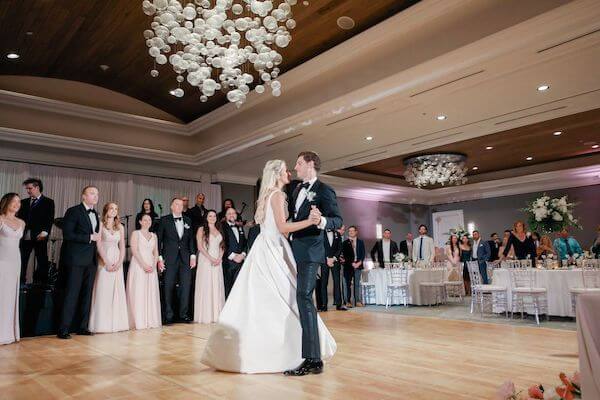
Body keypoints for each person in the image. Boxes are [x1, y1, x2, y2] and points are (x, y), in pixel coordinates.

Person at [201, 159, 337, 374]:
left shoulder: (269, 195)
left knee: (266, 298)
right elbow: (283, 228)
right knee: (287, 297)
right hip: (275, 248)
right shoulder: (278, 195)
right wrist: (311, 222)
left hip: (264, 247)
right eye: (285, 171)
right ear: (277, 174)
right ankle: (287, 352)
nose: (289, 173)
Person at [58, 186, 101, 339]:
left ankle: (82, 327)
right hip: (76, 259)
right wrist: (89, 237)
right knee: (72, 293)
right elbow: (68, 234)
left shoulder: (95, 213)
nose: (95, 196)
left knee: (87, 294)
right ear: (83, 196)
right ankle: (64, 328)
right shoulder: (73, 211)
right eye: (91, 193)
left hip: (90, 261)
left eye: (97, 194)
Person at [89, 202, 129, 333]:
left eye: (116, 209)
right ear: (106, 210)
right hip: (103, 259)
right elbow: (98, 243)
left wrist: (120, 261)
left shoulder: (120, 227)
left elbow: (122, 245)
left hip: (117, 259)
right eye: (111, 208)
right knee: (103, 289)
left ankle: (117, 323)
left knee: (116, 290)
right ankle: (101, 324)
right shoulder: (100, 225)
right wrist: (106, 261)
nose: (114, 211)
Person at [157, 198, 196, 324]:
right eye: (177, 204)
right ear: (171, 206)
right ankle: (168, 315)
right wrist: (160, 258)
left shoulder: (188, 220)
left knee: (186, 286)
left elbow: (191, 239)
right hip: (169, 258)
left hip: (185, 258)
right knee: (168, 286)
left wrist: (193, 255)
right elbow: (159, 240)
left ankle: (183, 314)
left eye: (181, 204)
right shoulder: (164, 220)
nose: (180, 206)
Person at [17, 178, 55, 287]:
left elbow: (49, 219)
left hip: (40, 236)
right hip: (24, 236)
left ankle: (40, 285)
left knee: (42, 261)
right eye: (27, 189)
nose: (28, 191)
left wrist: (45, 232)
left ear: (37, 187)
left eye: (30, 188)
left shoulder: (48, 202)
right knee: (22, 261)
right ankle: (20, 283)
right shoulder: (23, 202)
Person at [127, 214, 162, 330]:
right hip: (139, 264)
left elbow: (156, 251)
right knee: (139, 290)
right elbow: (134, 250)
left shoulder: (154, 236)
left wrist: (153, 264)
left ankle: (150, 319)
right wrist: (143, 265)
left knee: (150, 291)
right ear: (140, 222)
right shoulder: (135, 233)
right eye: (145, 220)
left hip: (151, 265)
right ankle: (139, 320)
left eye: (149, 220)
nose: (147, 222)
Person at [0, 193, 25, 345]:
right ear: (6, 202)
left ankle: (8, 333)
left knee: (10, 297)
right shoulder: (0, 218)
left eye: (19, 202)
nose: (17, 204)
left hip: (15, 262)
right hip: (1, 261)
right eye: (14, 201)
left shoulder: (21, 222)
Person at [194, 210, 225, 323]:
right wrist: (211, 258)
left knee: (216, 285)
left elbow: (222, 246)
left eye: (214, 216)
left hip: (217, 261)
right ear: (206, 217)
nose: (212, 217)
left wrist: (219, 258)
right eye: (210, 216)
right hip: (206, 260)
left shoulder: (219, 229)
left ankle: (217, 314)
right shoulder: (201, 229)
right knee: (207, 285)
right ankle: (206, 315)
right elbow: (200, 247)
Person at [222, 207, 247, 299]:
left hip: (240, 262)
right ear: (225, 216)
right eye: (229, 213)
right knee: (228, 288)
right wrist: (232, 256)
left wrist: (243, 254)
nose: (232, 215)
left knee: (239, 287)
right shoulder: (222, 226)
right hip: (228, 263)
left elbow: (244, 242)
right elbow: (221, 243)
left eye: (233, 213)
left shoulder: (239, 227)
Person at [320, 225, 346, 311]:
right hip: (324, 261)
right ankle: (324, 305)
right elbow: (320, 247)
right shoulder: (321, 233)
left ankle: (339, 304)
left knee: (337, 282)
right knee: (324, 283)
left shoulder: (337, 234)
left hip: (335, 261)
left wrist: (334, 258)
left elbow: (340, 248)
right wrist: (327, 259)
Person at [342, 226, 365, 308]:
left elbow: (363, 254)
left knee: (357, 284)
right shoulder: (345, 243)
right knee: (347, 284)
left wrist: (359, 262)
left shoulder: (361, 242)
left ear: (356, 232)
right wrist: (352, 263)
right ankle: (347, 301)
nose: (351, 232)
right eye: (349, 231)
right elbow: (345, 255)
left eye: (352, 231)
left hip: (358, 265)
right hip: (348, 266)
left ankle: (357, 301)